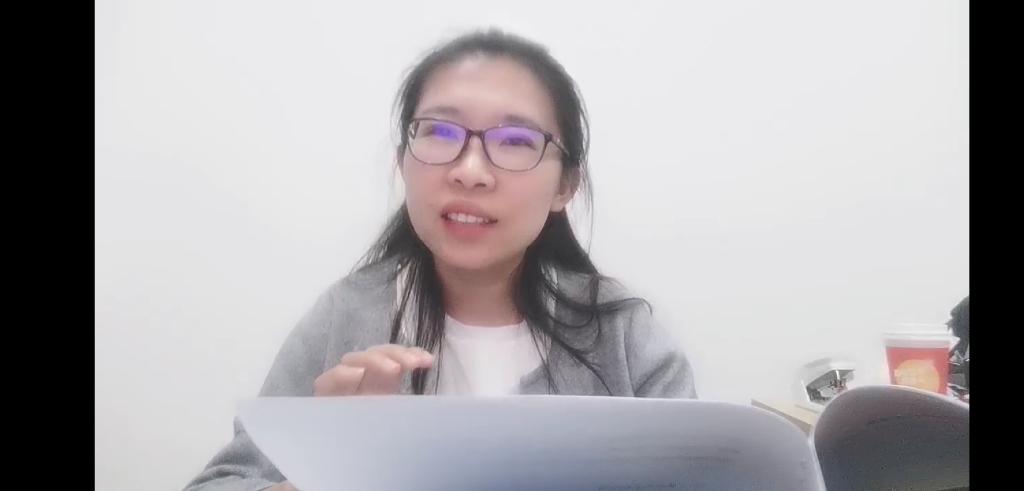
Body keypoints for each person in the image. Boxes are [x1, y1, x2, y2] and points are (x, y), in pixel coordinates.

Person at [184, 29, 697, 491]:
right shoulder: (346, 317)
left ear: (566, 185)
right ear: (401, 162)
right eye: (441, 132)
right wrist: (324, 472)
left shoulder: (624, 333)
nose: (470, 171)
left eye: (516, 141)